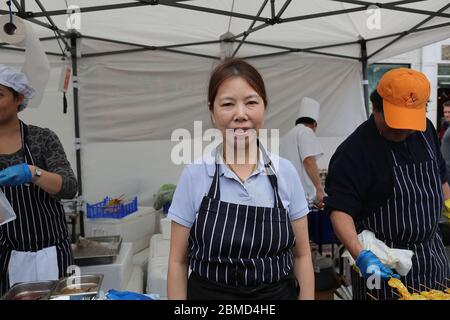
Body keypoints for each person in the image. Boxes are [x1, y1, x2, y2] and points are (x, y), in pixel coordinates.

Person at [167, 58, 314, 300]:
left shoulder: (285, 172)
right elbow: (177, 261)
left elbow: (302, 255)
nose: (240, 114)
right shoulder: (195, 175)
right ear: (212, 111)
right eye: (227, 104)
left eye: (251, 102)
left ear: (264, 106)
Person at [325, 68, 450, 300]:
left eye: (410, 123)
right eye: (396, 123)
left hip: (431, 256)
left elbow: (440, 176)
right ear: (376, 108)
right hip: (381, 263)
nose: (404, 131)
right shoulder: (354, 151)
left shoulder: (426, 130)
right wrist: (361, 255)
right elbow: (340, 209)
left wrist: (447, 203)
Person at [0, 65, 77, 295]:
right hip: (8, 257)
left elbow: (69, 187)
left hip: (53, 254)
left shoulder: (41, 138)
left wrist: (33, 173)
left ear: (19, 98)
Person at [280, 97, 324, 208]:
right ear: (314, 124)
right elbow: (309, 160)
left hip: (286, 195)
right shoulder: (306, 132)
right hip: (302, 198)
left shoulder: (286, 137)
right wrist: (319, 188)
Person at [440, 101, 450, 184]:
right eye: (445, 112)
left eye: (449, 112)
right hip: (446, 173)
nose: (446, 115)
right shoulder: (447, 127)